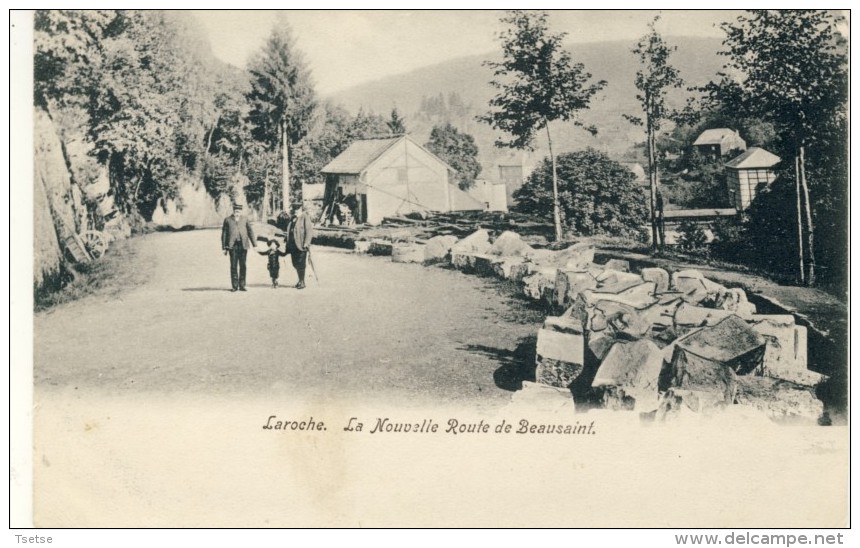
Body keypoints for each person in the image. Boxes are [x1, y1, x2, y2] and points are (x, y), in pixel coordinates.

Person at [221, 204, 256, 291]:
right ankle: (234, 286)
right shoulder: (227, 220)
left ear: (241, 211)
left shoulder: (245, 219)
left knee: (243, 265)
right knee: (233, 266)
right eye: (236, 211)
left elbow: (250, 231)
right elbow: (224, 234)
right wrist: (224, 247)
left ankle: (242, 285)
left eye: (239, 211)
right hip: (232, 246)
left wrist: (254, 244)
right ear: (233, 211)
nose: (237, 213)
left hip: (243, 245)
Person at [286, 203, 314, 289]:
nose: (295, 210)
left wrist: (306, 242)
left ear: (301, 209)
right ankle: (299, 280)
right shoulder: (293, 218)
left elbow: (309, 231)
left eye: (297, 209)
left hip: (301, 245)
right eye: (294, 209)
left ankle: (302, 282)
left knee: (301, 263)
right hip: (292, 245)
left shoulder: (305, 217)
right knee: (295, 263)